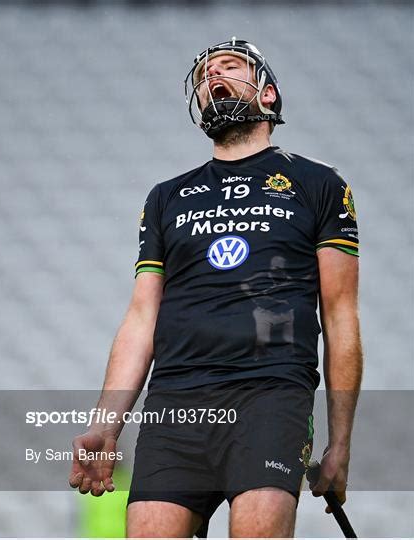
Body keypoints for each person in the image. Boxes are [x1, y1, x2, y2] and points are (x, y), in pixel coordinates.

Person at [69, 38, 363, 538]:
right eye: (204, 77)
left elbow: (340, 317)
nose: (212, 79)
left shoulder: (319, 185)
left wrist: (341, 442)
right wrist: (106, 424)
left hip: (270, 395)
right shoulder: (167, 197)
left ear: (267, 94)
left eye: (228, 67)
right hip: (176, 401)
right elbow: (141, 318)